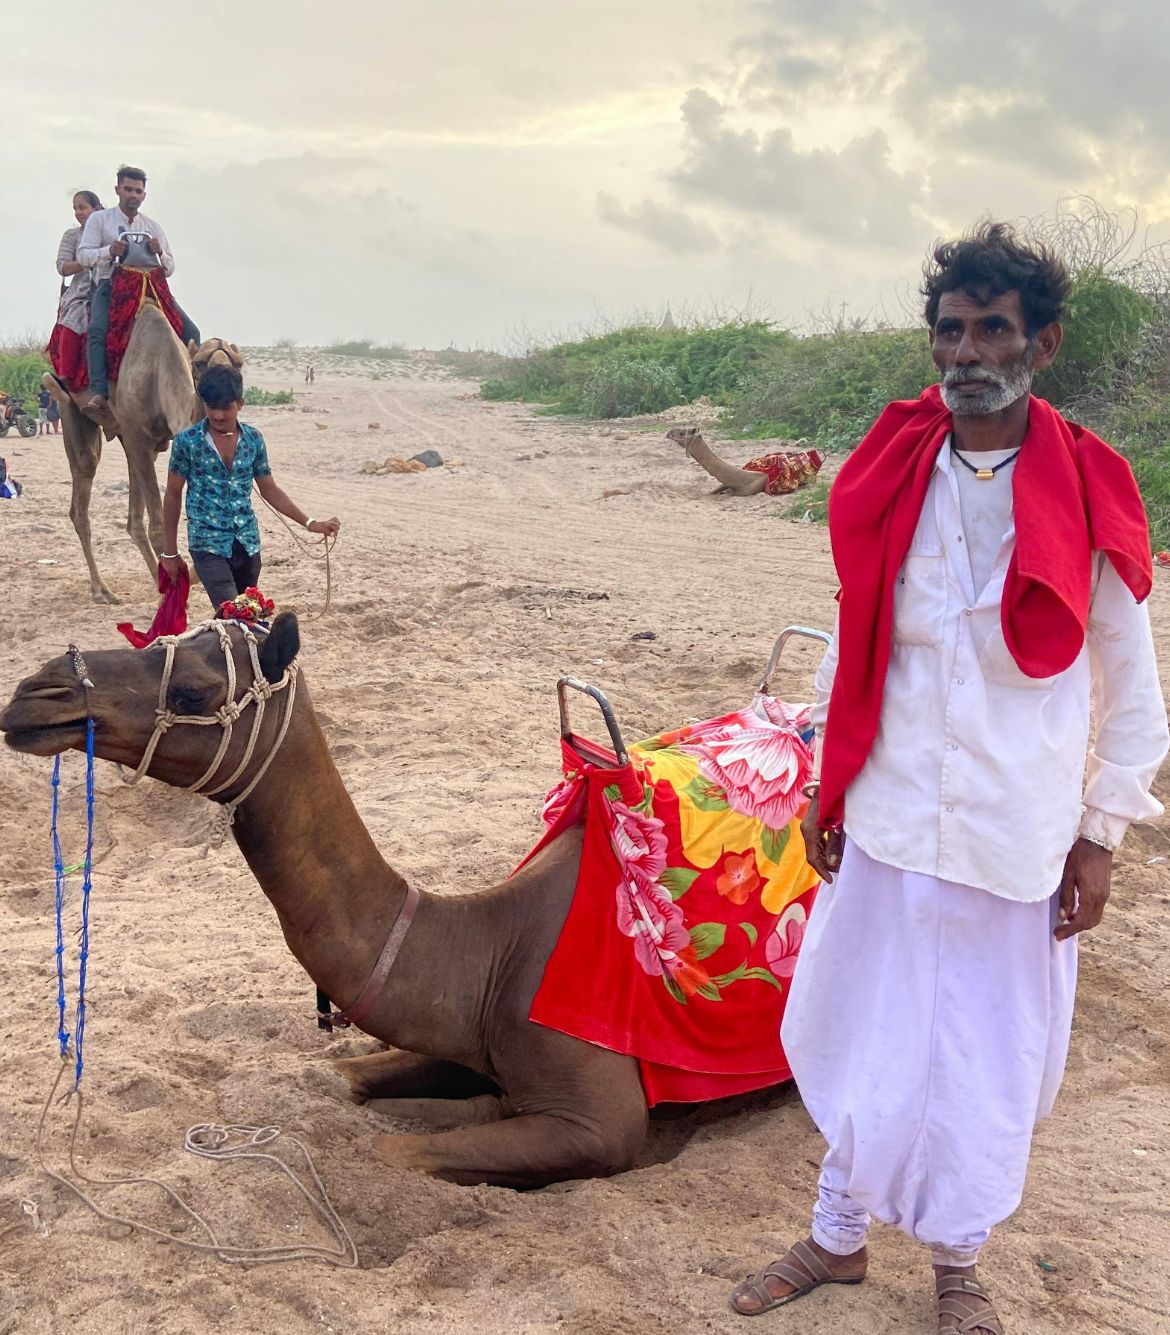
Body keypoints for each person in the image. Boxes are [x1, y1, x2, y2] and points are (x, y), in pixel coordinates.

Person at [729, 223, 1168, 1333]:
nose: (966, 351)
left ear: (1044, 341)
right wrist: (830, 786)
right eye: (949, 330)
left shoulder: (1086, 484)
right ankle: (835, 1241)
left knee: (980, 1045)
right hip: (886, 815)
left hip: (1015, 832)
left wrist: (1101, 835)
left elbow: (1136, 686)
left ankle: (958, 1266)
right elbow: (856, 635)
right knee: (864, 1018)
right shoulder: (894, 472)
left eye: (992, 329)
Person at [162, 363, 341, 611]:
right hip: (207, 543)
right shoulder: (187, 442)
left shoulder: (253, 440)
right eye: (211, 408)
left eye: (226, 408)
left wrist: (310, 523)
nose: (218, 416)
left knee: (250, 614)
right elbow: (172, 494)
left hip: (247, 543)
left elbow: (269, 489)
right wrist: (169, 553)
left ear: (240, 403)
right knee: (232, 612)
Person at [77, 165, 200, 412]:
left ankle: (192, 391)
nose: (133, 195)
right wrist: (109, 251)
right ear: (117, 190)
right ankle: (99, 393)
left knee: (191, 332)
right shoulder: (100, 220)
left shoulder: (153, 227)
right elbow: (83, 256)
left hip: (150, 287)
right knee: (97, 330)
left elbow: (170, 267)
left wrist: (159, 252)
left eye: (138, 191)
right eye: (128, 189)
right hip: (111, 286)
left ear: (144, 195)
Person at [46, 189, 102, 390]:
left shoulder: (109, 232)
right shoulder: (72, 236)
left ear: (96, 209)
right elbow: (63, 267)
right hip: (82, 291)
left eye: (83, 207)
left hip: (111, 286)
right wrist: (86, 261)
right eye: (76, 208)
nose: (79, 212)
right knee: (73, 323)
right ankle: (66, 378)